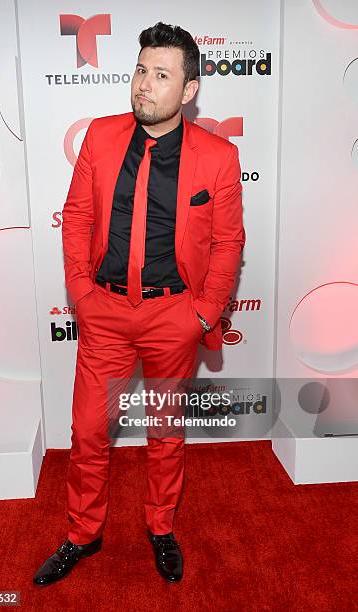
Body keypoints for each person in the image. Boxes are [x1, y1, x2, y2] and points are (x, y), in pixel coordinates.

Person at [33, 21, 245, 586]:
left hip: (172, 316)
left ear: (190, 89)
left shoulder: (220, 158)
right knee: (89, 432)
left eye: (160, 74)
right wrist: (80, 291)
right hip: (102, 312)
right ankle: (83, 533)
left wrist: (202, 313)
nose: (143, 85)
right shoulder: (100, 137)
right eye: (140, 70)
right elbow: (76, 217)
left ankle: (160, 527)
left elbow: (229, 243)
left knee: (165, 431)